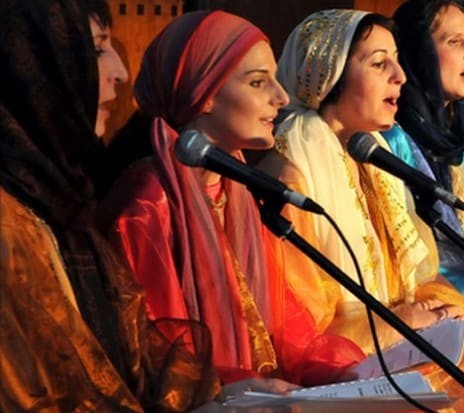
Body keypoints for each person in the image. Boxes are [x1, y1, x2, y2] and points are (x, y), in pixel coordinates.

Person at [257, 9, 464, 412]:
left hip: (398, 340)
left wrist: (438, 309)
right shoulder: (294, 174)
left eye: (397, 60)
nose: (400, 76)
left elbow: (416, 276)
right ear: (328, 75)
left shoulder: (372, 156)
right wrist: (399, 322)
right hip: (346, 359)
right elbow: (300, 325)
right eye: (379, 64)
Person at [0, 0, 288, 410]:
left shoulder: (61, 202)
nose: (120, 71)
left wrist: (221, 389)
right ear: (35, 66)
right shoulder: (136, 202)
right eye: (97, 48)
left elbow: (137, 355)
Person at [99, 9, 365, 387]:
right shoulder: (147, 203)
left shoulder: (237, 187)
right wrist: (233, 389)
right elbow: (162, 357)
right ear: (203, 94)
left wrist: (348, 373)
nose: (281, 97)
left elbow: (287, 330)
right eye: (258, 82)